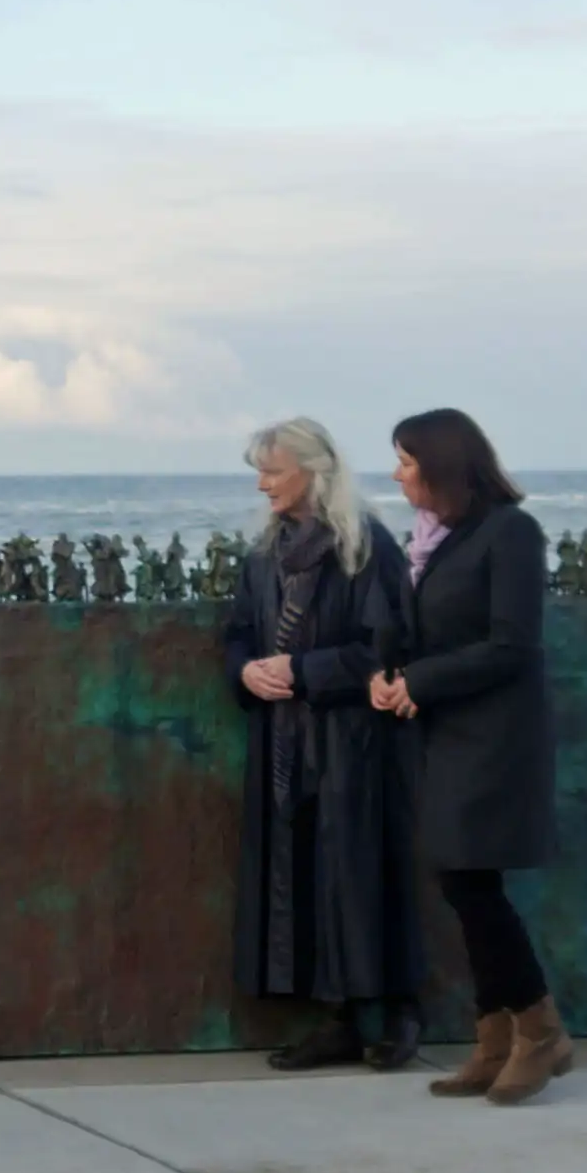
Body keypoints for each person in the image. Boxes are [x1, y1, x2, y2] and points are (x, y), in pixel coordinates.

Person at [376, 406, 570, 1106]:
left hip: (492, 739)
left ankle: (540, 1030)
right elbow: (430, 631)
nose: (397, 474)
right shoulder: (438, 539)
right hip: (444, 733)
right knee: (462, 881)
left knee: (470, 884)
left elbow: (512, 644)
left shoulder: (510, 532)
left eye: (406, 461)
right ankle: (494, 1039)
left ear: (441, 463)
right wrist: (390, 677)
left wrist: (421, 682)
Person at [220, 418, 425, 1072]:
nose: (263, 485)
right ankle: (337, 1022)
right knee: (305, 877)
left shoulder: (365, 547)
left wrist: (304, 670)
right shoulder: (265, 553)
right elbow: (238, 632)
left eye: (273, 471)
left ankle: (399, 1015)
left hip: (354, 743)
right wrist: (246, 672)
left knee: (365, 877)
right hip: (284, 739)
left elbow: (388, 648)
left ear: (314, 472)